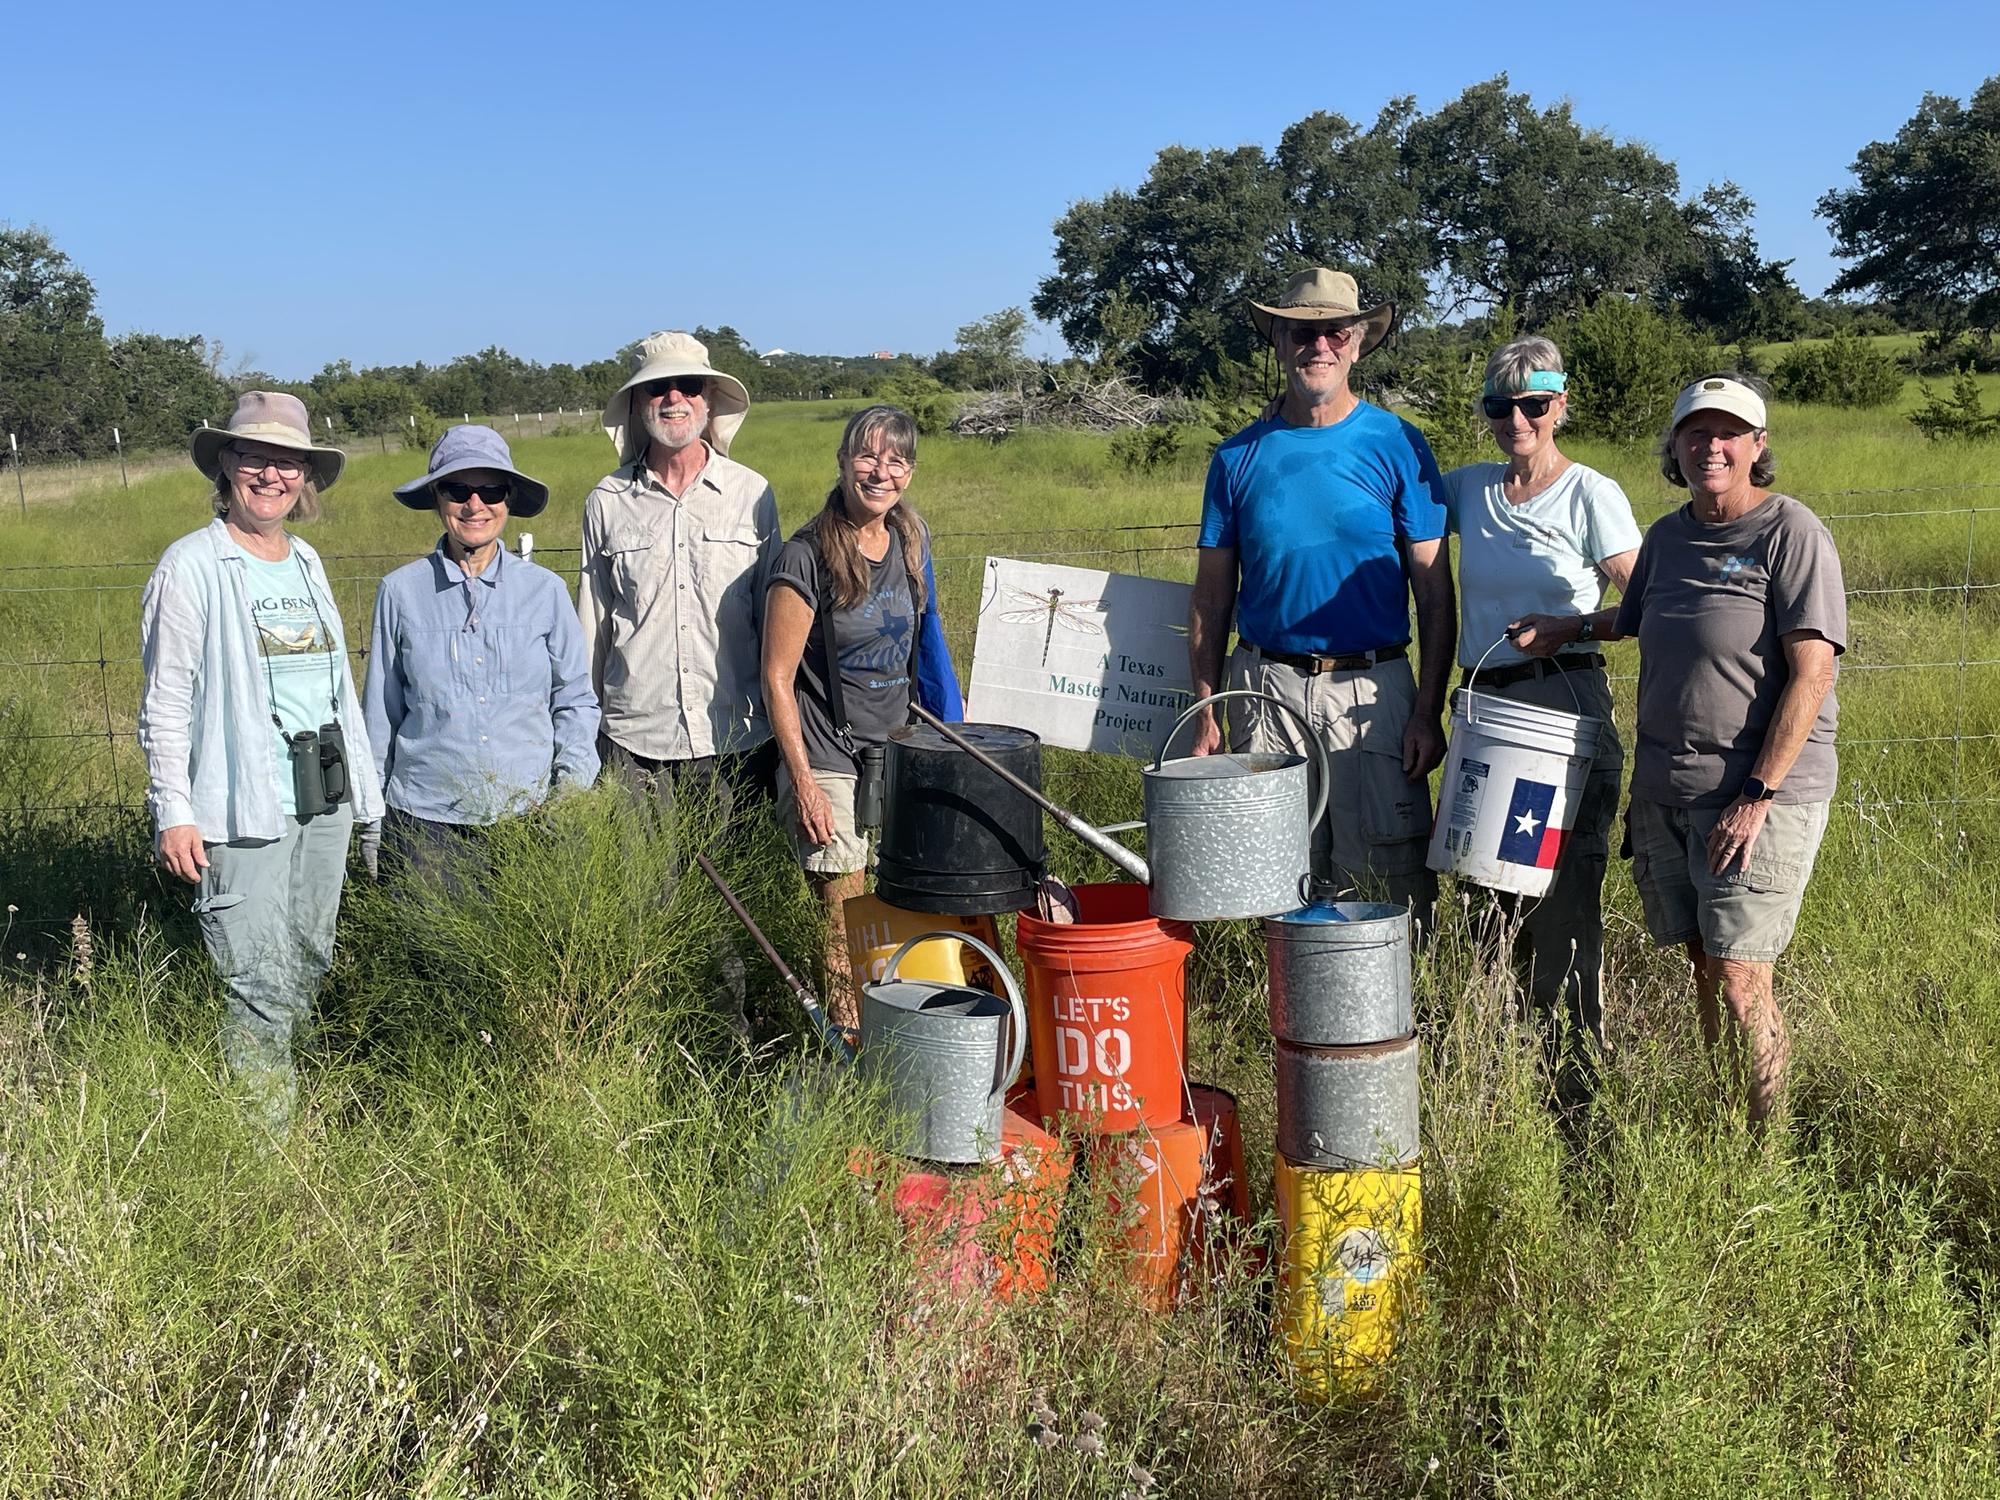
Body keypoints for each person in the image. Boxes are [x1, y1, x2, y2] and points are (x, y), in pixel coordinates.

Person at [138, 391, 384, 1133]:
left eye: (288, 461)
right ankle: (267, 1155)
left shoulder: (305, 560)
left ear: (305, 475)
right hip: (244, 802)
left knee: (308, 957)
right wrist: (173, 810)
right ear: (226, 465)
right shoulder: (190, 566)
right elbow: (165, 700)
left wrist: (362, 794)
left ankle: (284, 1108)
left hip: (324, 795)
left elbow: (337, 685)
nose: (271, 474)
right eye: (255, 457)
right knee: (255, 978)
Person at [1187, 267, 1454, 923]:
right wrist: (1206, 709)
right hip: (1263, 688)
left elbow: (1435, 592)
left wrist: (1426, 711)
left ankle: (1396, 1020)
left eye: (1334, 331)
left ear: (1359, 343)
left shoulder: (1398, 444)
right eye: (1301, 332)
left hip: (1373, 690)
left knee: (1387, 887)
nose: (1319, 347)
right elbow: (1210, 599)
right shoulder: (1238, 457)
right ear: (1279, 342)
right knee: (1275, 879)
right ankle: (1291, 1020)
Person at [1613, 373, 1845, 1127]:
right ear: (1675, 447)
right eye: (1695, 433)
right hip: (1668, 787)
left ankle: (1763, 1154)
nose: (1710, 446)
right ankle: (1721, 1119)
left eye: (1728, 433)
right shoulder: (1667, 536)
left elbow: (1813, 672)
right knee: (1704, 970)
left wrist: (1757, 794)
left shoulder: (1790, 532)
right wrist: (1564, 626)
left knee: (1744, 981)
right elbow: (1632, 619)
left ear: (1757, 446)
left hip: (1754, 796)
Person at [1442, 336, 1643, 1112]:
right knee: (1486, 897)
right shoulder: (1469, 490)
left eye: (1533, 404)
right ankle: (1489, 1076)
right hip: (1486, 707)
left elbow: (1646, 603)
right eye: (1501, 405)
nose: (1517, 420)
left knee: (1561, 897)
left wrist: (1572, 626)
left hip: (1564, 701)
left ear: (1561, 405)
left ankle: (1573, 1090)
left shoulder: (1590, 493)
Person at [762, 405, 945, 1036]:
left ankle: (902, 1035)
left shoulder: (911, 542)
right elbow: (777, 679)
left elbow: (923, 656)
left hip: (893, 753)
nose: (880, 471)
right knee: (844, 912)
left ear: (910, 472)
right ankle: (851, 1044)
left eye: (895, 460)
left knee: (897, 901)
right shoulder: (805, 556)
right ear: (842, 461)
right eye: (867, 456)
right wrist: (805, 782)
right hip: (829, 756)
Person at [362, 425, 599, 888]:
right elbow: (380, 714)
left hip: (530, 816)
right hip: (424, 821)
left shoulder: (545, 592)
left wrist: (569, 791)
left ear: (508, 499)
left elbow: (574, 699)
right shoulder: (399, 591)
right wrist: (373, 822)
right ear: (437, 497)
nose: (475, 505)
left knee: (526, 954)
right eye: (458, 489)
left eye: (491, 490)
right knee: (432, 956)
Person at [578, 331, 783, 815]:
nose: (673, 398)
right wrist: (584, 739)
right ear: (637, 402)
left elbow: (773, 621)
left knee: (737, 888)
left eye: (688, 385)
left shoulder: (752, 493)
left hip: (737, 736)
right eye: (657, 387)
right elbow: (593, 627)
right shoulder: (606, 501)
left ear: (708, 399)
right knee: (648, 890)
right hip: (636, 742)